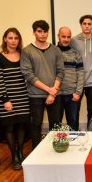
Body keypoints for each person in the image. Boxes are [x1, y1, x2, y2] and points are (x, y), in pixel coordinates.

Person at [21, 20, 65, 149]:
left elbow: (61, 71)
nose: (43, 34)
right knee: (36, 124)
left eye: (45, 31)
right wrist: (49, 90)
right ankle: (36, 152)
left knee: (56, 124)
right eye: (39, 31)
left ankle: (57, 149)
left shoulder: (56, 50)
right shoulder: (27, 51)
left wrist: (53, 90)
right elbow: (28, 75)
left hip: (55, 94)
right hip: (35, 95)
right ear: (34, 32)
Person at [0, 28, 30, 169]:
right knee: (9, 127)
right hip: (7, 98)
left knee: (21, 126)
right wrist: (5, 100)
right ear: (5, 39)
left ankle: (20, 151)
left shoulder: (24, 55)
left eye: (16, 38)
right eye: (10, 38)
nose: (13, 41)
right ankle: (14, 155)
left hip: (23, 97)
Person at [70, 15, 92, 127]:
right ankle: (75, 134)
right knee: (75, 110)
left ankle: (91, 133)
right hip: (77, 81)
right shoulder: (73, 40)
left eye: (89, 24)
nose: (87, 26)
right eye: (85, 23)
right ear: (81, 25)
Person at [57, 27, 84, 130]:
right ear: (58, 36)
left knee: (72, 122)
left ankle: (73, 145)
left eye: (68, 37)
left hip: (72, 95)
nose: (66, 39)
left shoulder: (76, 54)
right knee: (56, 123)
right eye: (63, 36)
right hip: (56, 95)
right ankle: (57, 145)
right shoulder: (52, 52)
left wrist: (78, 92)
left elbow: (81, 73)